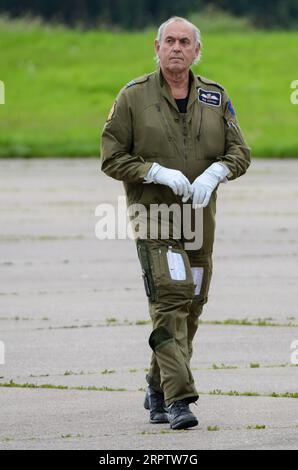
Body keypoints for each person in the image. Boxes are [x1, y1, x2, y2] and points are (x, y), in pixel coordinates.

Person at [100, 16, 250, 430]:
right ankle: (179, 399)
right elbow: (111, 156)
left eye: (185, 41)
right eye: (170, 41)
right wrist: (154, 172)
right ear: (156, 46)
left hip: (200, 220)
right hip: (155, 218)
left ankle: (156, 383)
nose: (177, 48)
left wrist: (217, 172)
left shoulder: (216, 98)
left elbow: (241, 151)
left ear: (196, 51)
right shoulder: (133, 98)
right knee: (169, 299)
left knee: (193, 303)